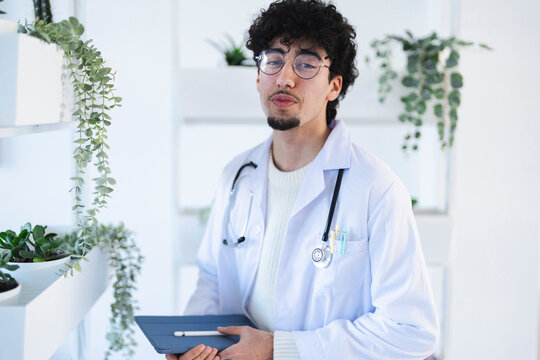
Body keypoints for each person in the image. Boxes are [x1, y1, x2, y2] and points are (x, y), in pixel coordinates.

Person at [167, 1, 439, 359]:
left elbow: (411, 331)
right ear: (258, 76)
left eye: (306, 63)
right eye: (273, 59)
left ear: (334, 86)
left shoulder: (376, 189)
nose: (285, 77)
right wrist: (191, 343)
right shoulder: (236, 175)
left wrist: (280, 349)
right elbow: (212, 280)